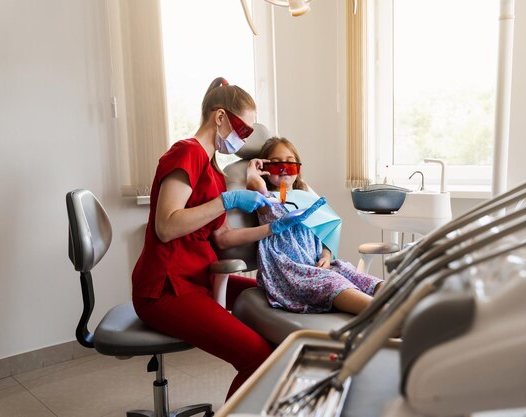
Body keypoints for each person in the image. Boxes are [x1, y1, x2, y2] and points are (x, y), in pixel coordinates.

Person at [131, 78, 320, 399]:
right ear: (220, 117)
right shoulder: (186, 153)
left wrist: (274, 227)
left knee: (278, 299)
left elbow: (223, 238)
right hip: (167, 289)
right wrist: (226, 202)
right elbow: (166, 226)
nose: (245, 138)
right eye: (243, 130)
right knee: (257, 357)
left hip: (202, 278)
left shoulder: (214, 171)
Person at [246, 137, 384, 315]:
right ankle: (385, 316)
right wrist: (252, 169)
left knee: (358, 277)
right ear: (264, 169)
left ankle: (408, 306)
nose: (284, 169)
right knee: (332, 283)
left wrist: (327, 255)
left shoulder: (306, 197)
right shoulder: (266, 200)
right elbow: (254, 185)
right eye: (275, 164)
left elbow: (326, 231)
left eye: (290, 163)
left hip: (317, 264)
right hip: (292, 272)